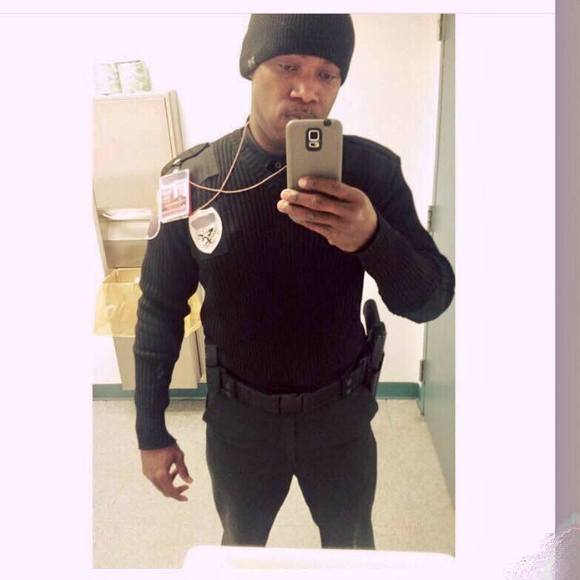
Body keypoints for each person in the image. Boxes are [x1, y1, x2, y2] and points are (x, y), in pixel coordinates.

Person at [134, 13, 455, 550]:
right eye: (289, 66)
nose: (307, 89)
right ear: (251, 67)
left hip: (341, 417)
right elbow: (159, 307)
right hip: (239, 422)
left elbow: (431, 300)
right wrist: (150, 431)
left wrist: (372, 237)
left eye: (327, 74)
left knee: (352, 552)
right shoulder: (190, 182)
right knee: (241, 551)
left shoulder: (371, 174)